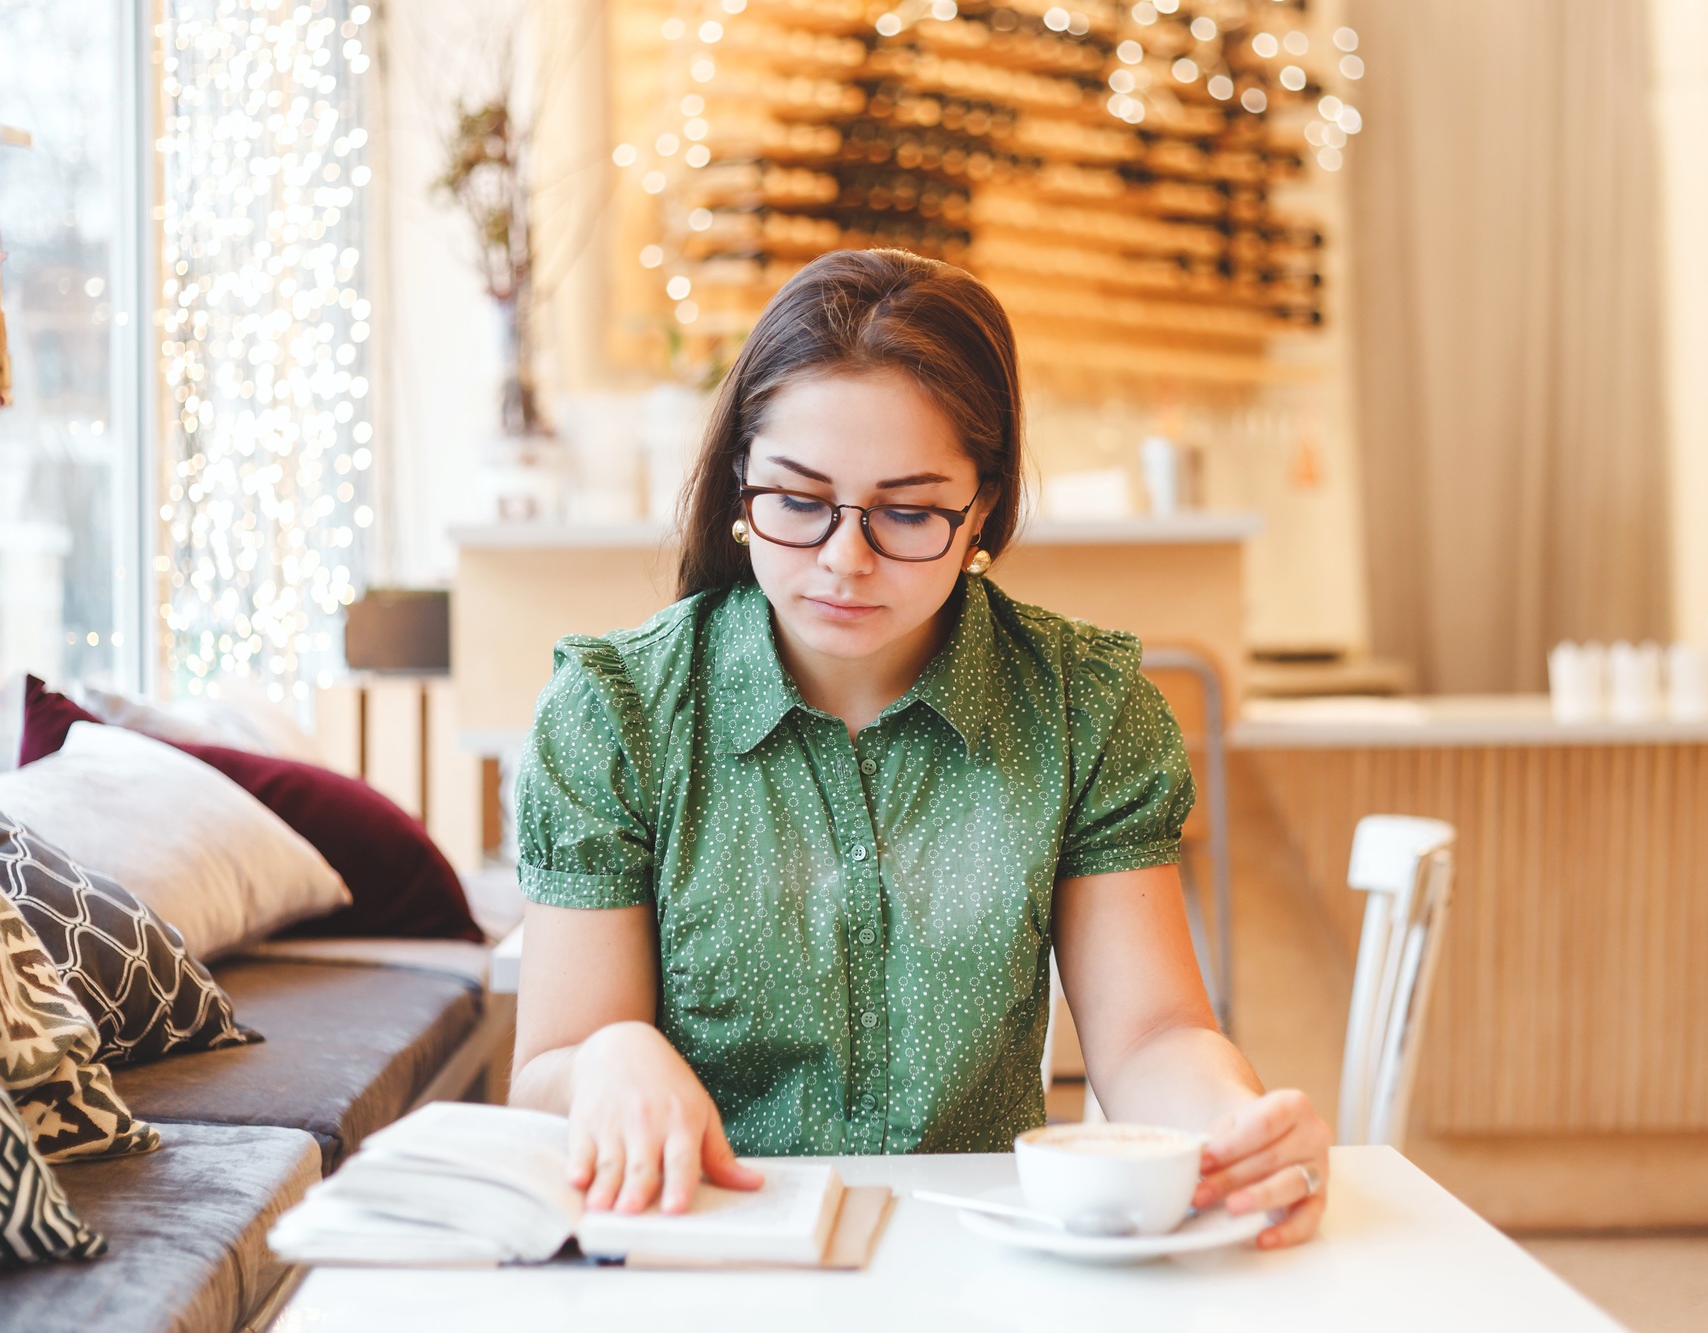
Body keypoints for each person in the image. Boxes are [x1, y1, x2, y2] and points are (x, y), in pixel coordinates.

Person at [509, 249, 1331, 1249]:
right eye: (798, 501)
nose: (843, 560)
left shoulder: (1083, 708)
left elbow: (1152, 1034)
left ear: (980, 509)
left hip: (979, 1257)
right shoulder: (616, 713)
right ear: (739, 483)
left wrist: (1228, 1135)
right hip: (701, 1255)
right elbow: (547, 1071)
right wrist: (607, 1056)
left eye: (906, 513)